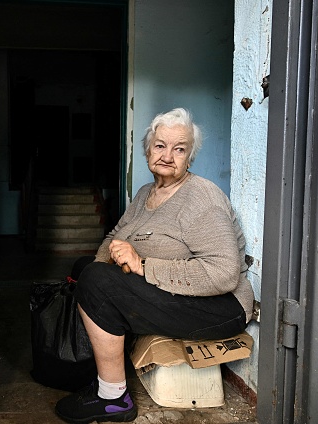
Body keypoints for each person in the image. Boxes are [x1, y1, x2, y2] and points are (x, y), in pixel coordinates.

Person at [54, 107, 255, 423]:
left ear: (189, 158)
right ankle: (100, 361)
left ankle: (112, 398)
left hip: (221, 306)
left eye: (180, 149)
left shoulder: (202, 198)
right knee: (86, 268)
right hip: (176, 295)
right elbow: (115, 238)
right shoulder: (147, 192)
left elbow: (223, 273)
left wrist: (143, 264)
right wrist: (106, 264)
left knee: (96, 281)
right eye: (160, 145)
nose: (167, 155)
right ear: (147, 149)